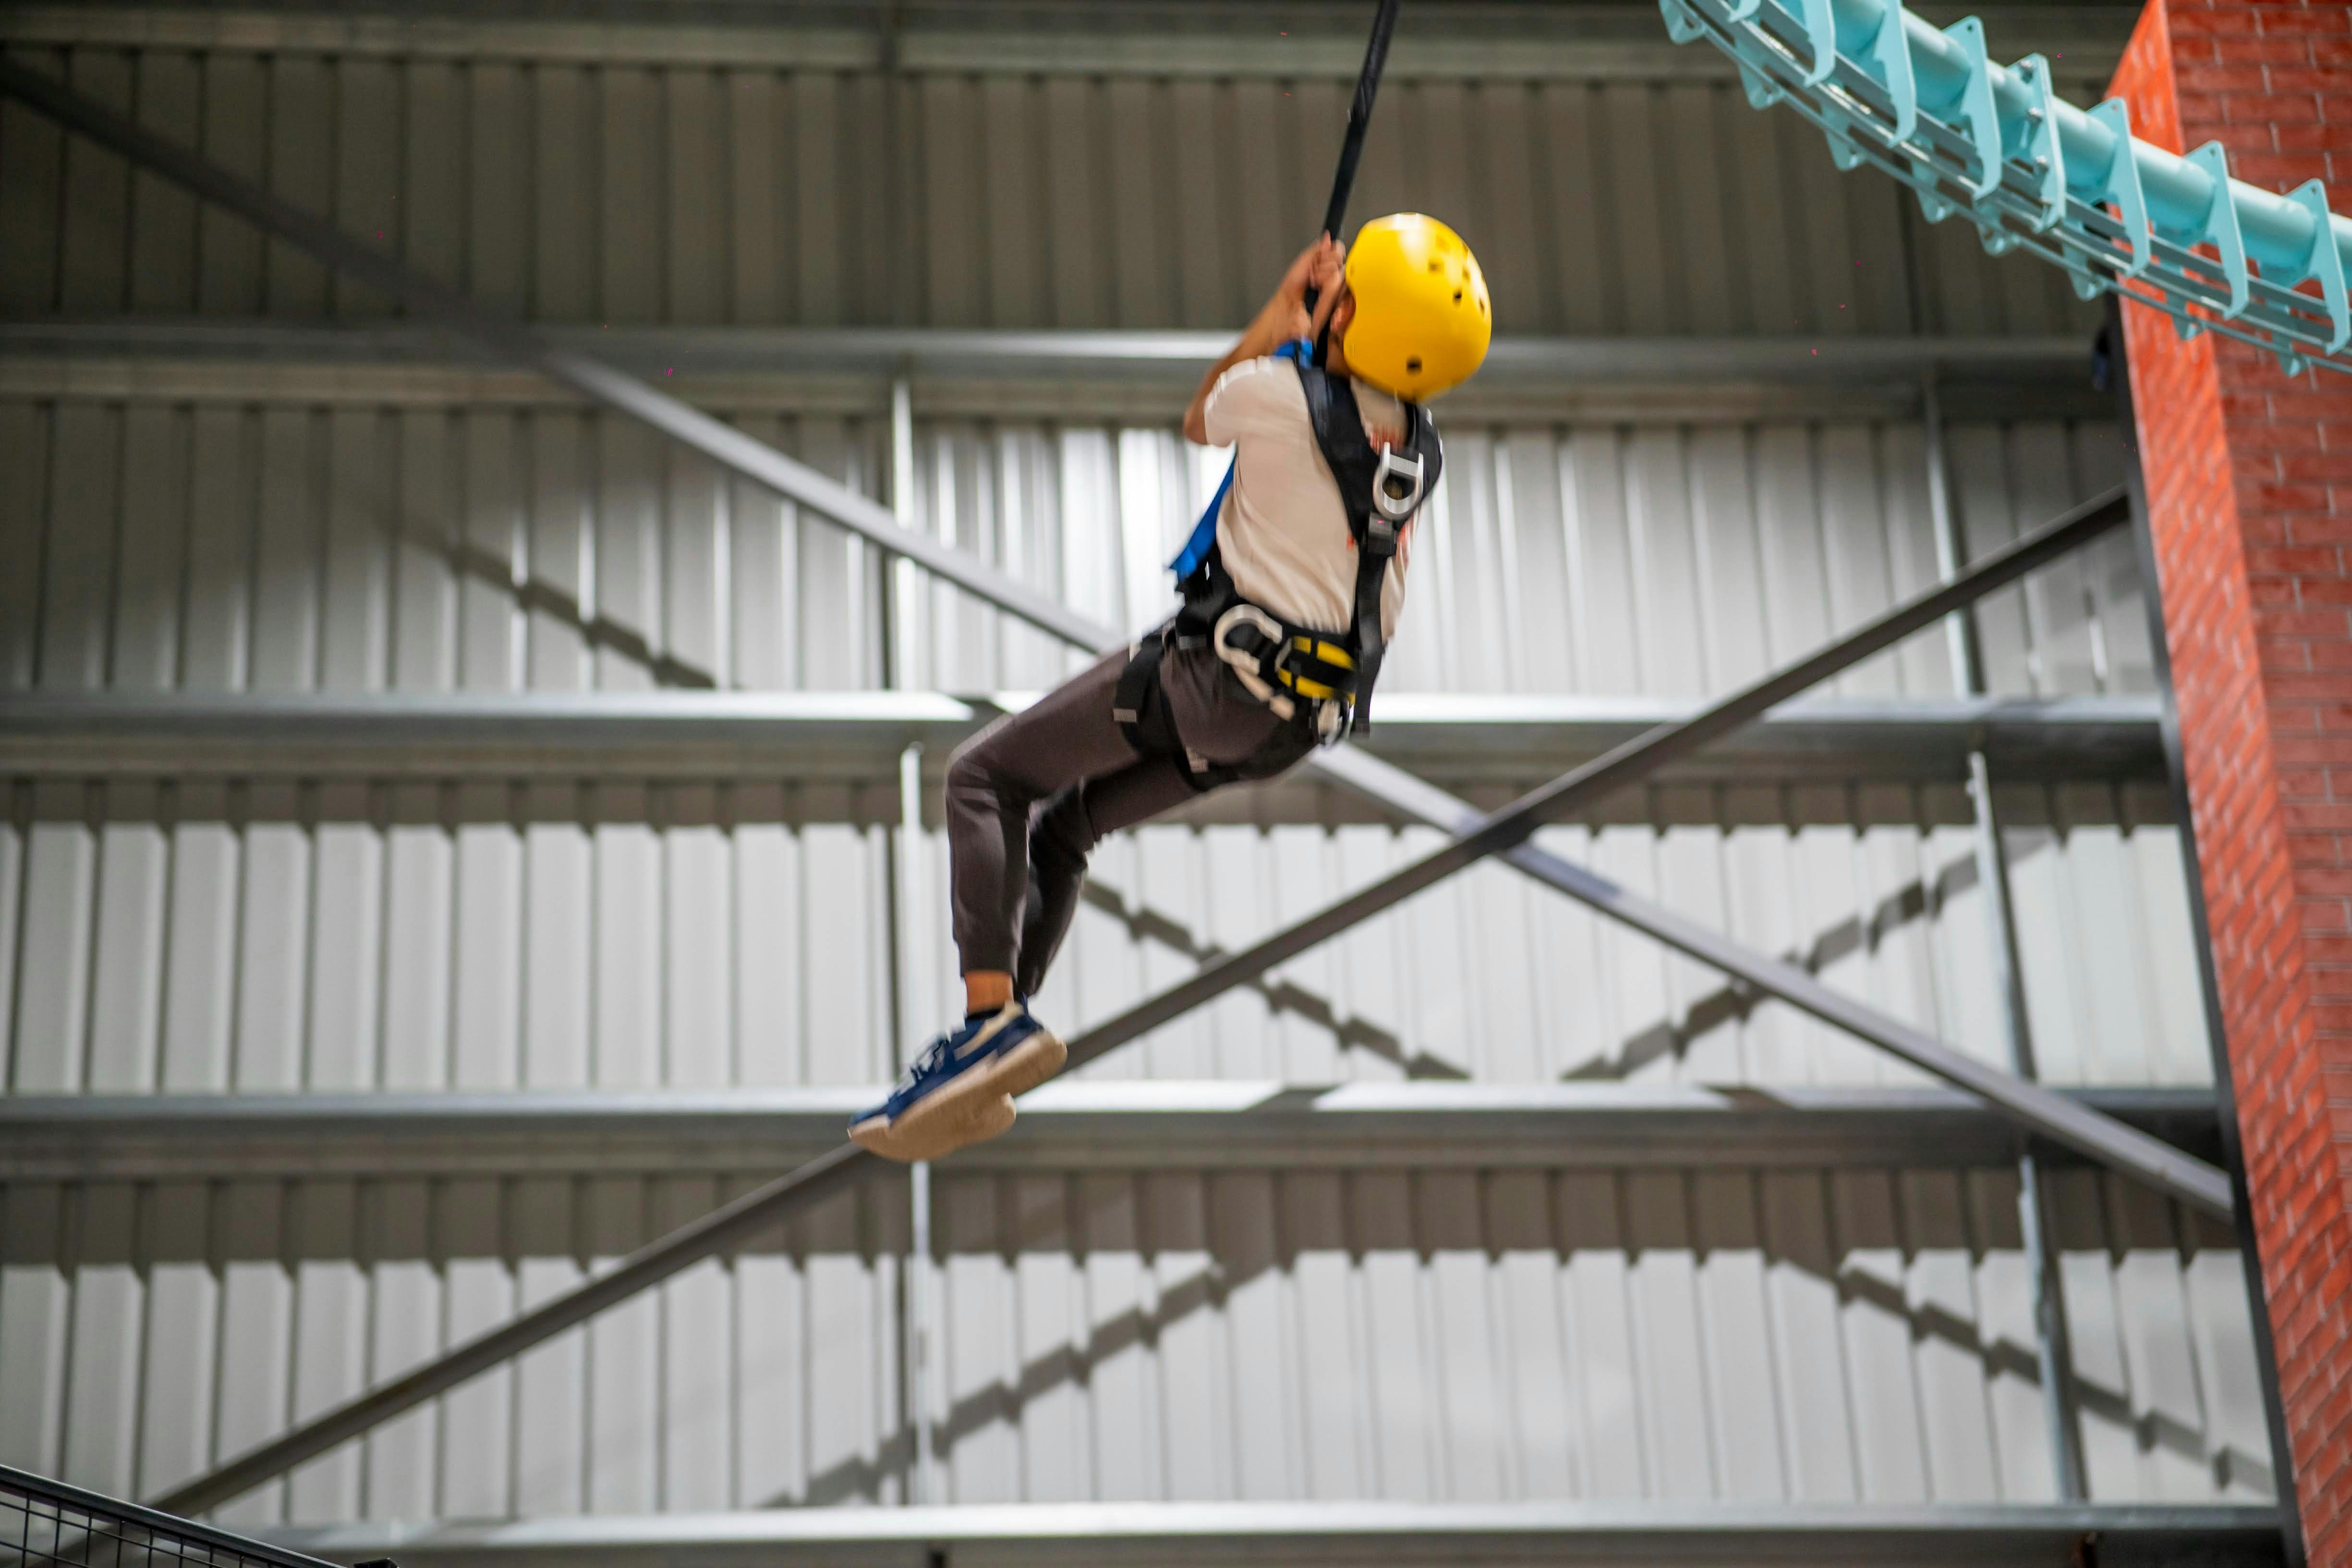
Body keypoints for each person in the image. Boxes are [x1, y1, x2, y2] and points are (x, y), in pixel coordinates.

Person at [850, 213, 1492, 1162]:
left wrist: (1282, 312)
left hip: (1212, 683)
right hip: (1289, 726)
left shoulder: (1280, 395)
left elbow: (1203, 415)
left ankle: (990, 1018)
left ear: (1356, 313)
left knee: (982, 778)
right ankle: (1001, 1032)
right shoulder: (1415, 452)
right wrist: (1331, 331)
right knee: (1067, 826)